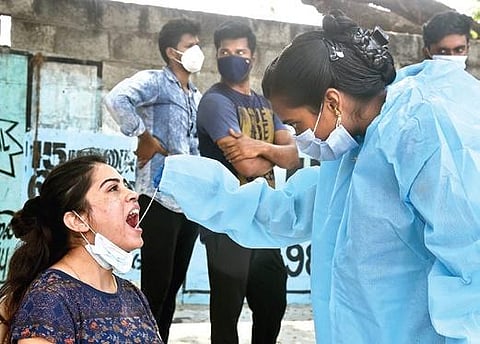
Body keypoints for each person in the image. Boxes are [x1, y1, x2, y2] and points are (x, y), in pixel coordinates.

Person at [154, 11, 480, 344]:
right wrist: (183, 181)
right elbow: (287, 211)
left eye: (296, 125)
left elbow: (470, 262)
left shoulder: (418, 135)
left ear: (332, 102)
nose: (298, 138)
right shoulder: (350, 152)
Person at [195, 20, 299, 344]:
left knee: (271, 303)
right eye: (224, 52)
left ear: (252, 56)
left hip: (262, 218)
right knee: (226, 315)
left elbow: (295, 156)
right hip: (226, 221)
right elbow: (247, 166)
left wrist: (259, 146)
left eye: (239, 51)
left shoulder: (266, 102)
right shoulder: (215, 102)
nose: (231, 57)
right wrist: (274, 152)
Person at [103, 18, 203, 342]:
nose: (196, 50)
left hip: (186, 205)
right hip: (157, 197)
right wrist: (142, 135)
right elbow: (117, 99)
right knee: (155, 287)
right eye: (190, 45)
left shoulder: (195, 95)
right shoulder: (156, 82)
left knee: (173, 286)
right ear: (172, 52)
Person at [0, 154, 163, 343]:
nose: (133, 194)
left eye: (125, 185)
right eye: (113, 188)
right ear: (77, 220)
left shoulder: (133, 295)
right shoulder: (49, 299)